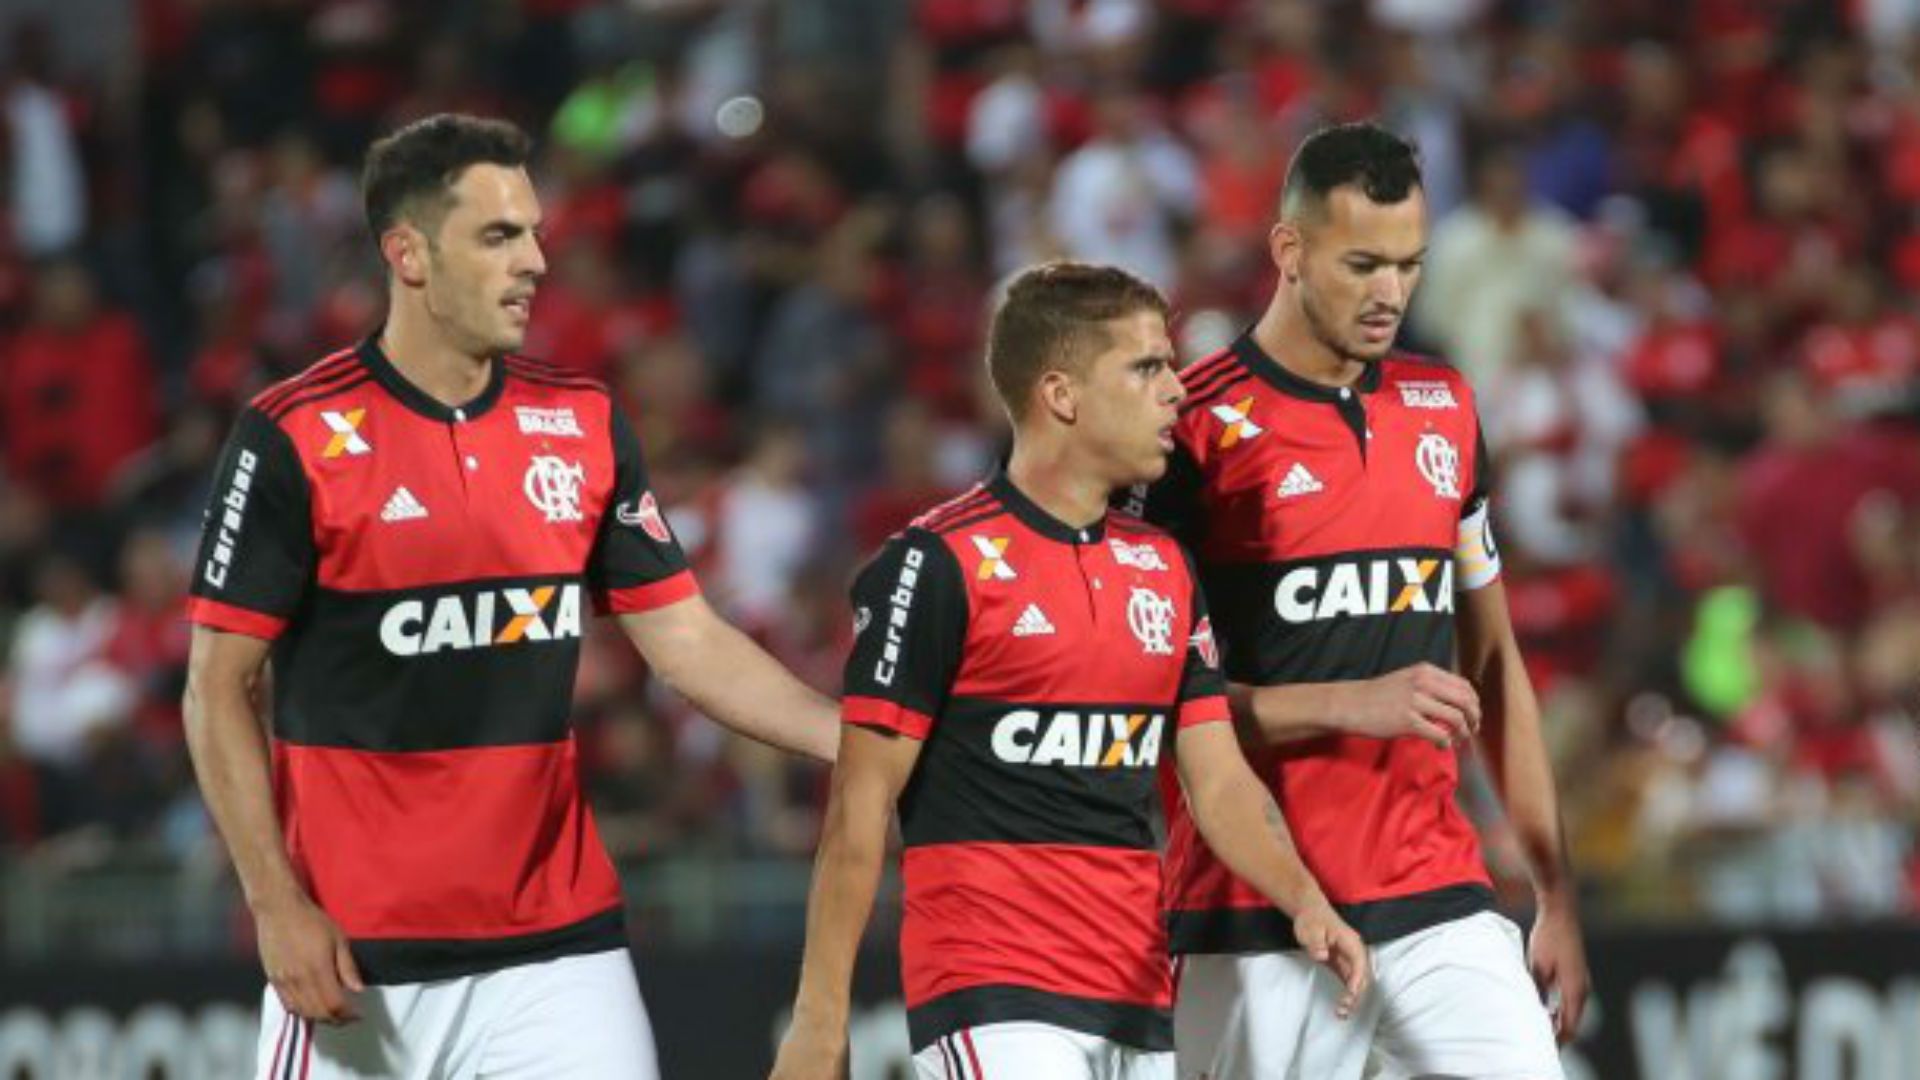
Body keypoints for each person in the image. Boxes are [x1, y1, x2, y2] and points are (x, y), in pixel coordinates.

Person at [181, 113, 840, 1080]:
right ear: (407, 254)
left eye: (533, 232)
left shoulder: (580, 423)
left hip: (558, 955)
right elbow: (215, 688)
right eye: (498, 236)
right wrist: (276, 904)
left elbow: (689, 641)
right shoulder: (295, 436)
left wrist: (851, 739)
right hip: (358, 963)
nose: (534, 260)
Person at [769, 262, 1369, 1080]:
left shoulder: (1164, 568)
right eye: (1147, 366)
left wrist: (1304, 898)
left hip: (1135, 999)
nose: (1177, 392)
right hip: (992, 993)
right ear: (1062, 394)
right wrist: (819, 1019)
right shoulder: (936, 563)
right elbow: (858, 808)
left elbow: (1219, 782)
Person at [1125, 122, 1589, 1080]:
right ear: (1289, 251)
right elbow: (1146, 702)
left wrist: (1555, 890)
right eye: (1363, 264)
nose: (1390, 295)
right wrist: (1348, 702)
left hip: (1438, 894)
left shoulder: (1446, 411)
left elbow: (1494, 664)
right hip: (1254, 916)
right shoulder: (1192, 438)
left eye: (1410, 266)